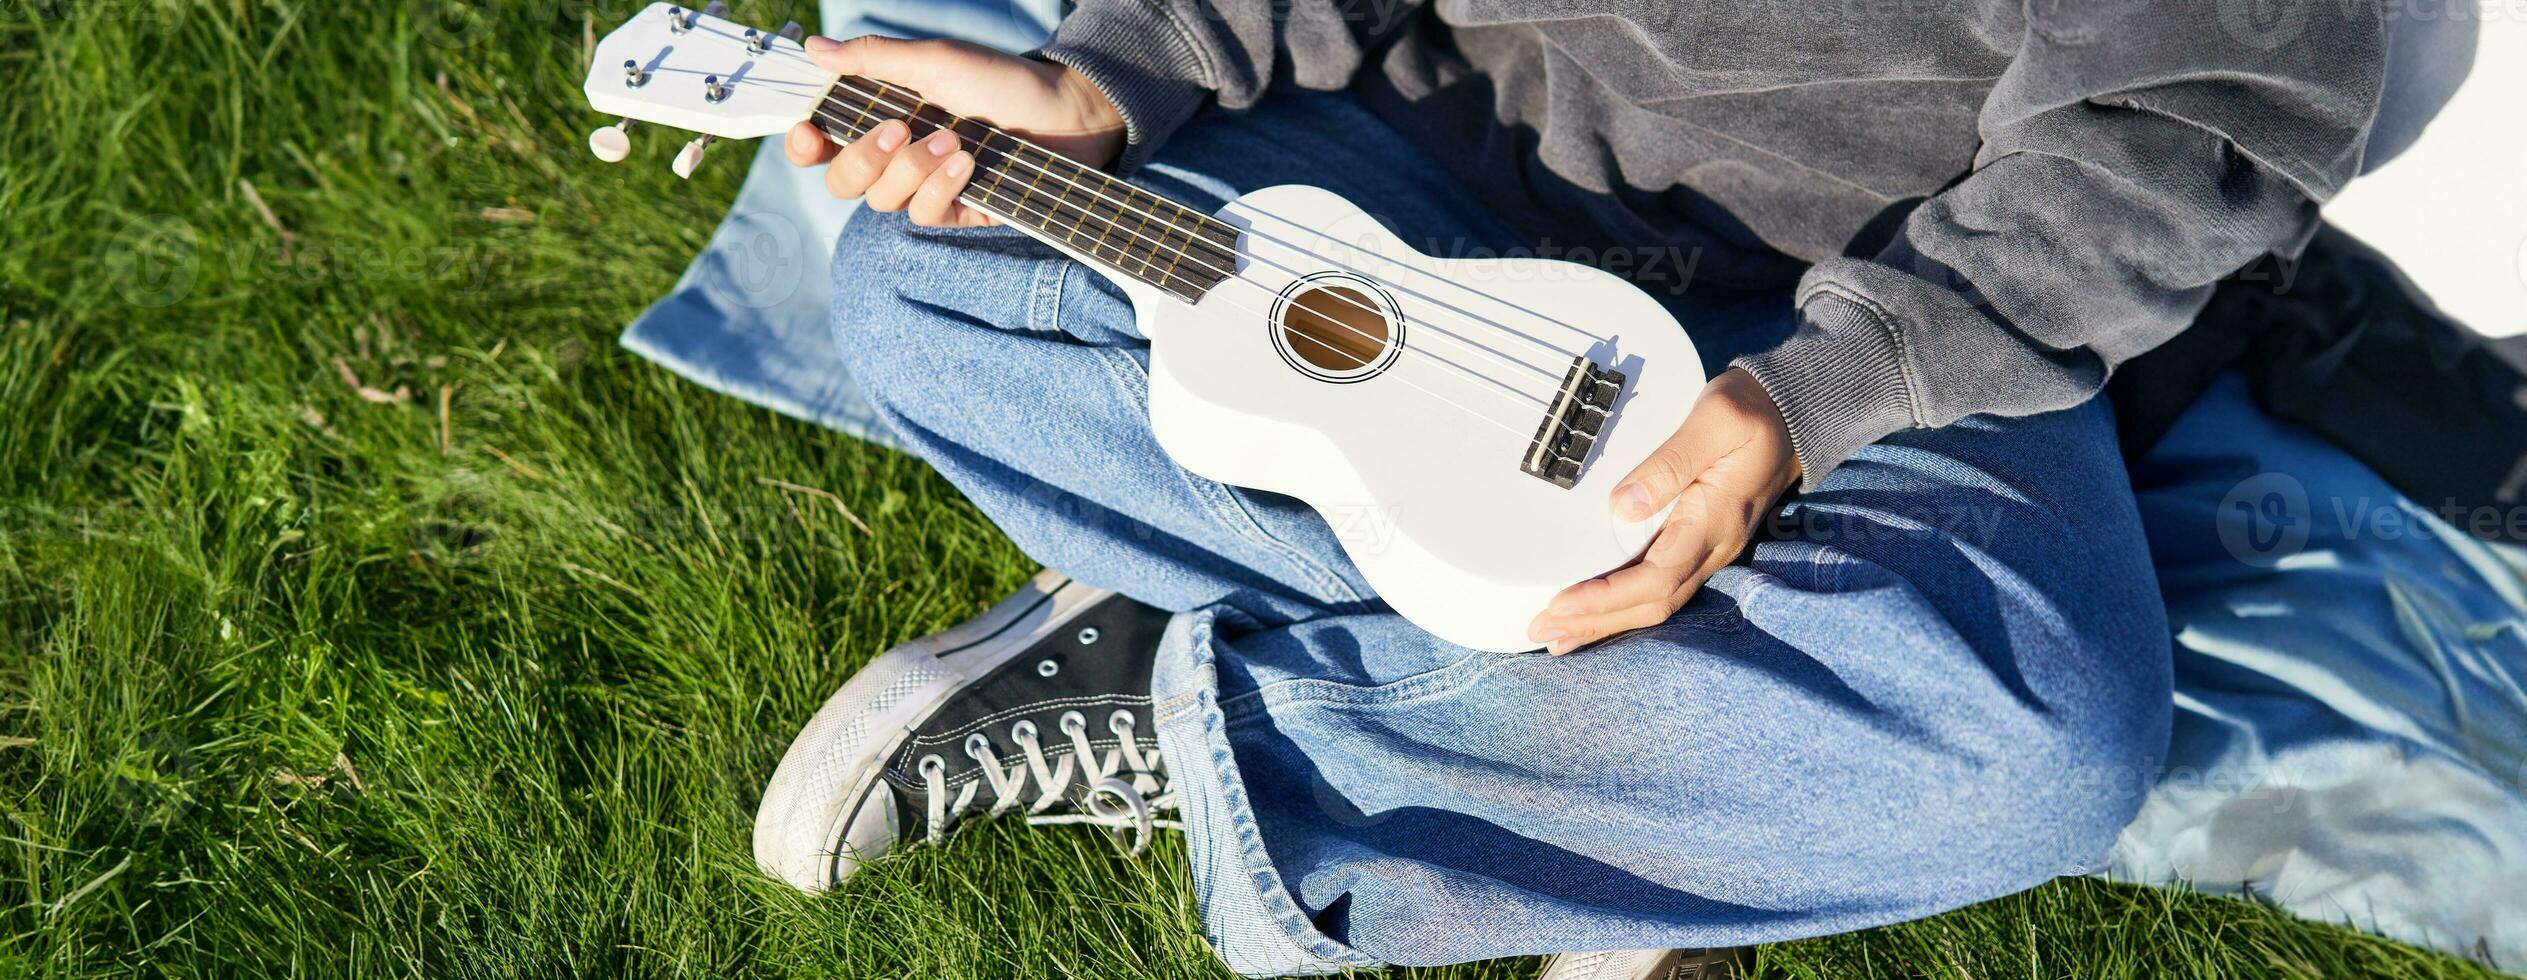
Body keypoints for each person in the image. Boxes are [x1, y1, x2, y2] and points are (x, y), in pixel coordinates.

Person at [746, 3, 2422, 976]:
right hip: (1437, 190)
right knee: (934, 295)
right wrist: (1113, 74)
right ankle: (1661, 794)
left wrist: (1815, 396)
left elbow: (2185, 124)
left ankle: (1203, 707)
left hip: (1883, 296)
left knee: (2037, 742)